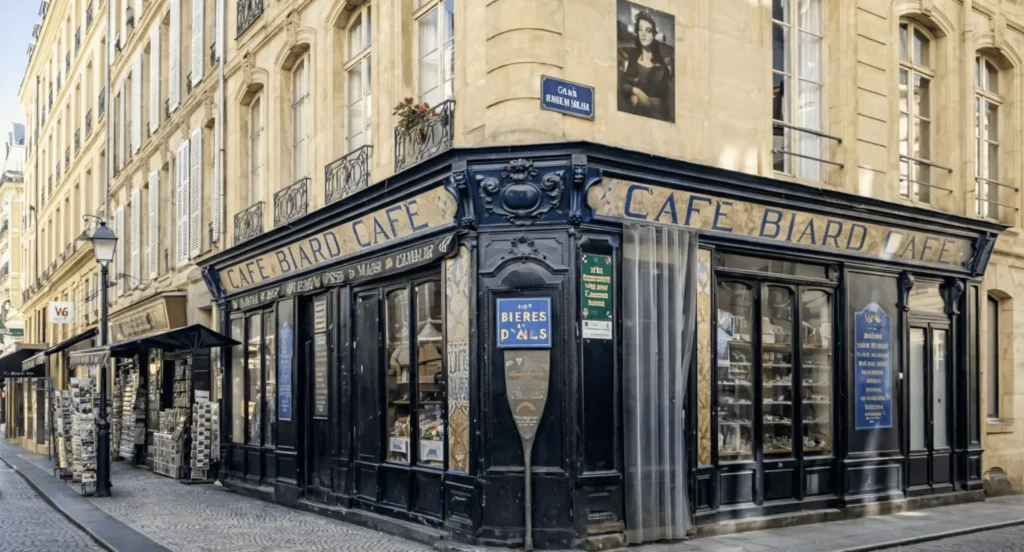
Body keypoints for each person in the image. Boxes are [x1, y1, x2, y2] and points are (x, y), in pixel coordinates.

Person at [618, 10, 673, 121]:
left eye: (648, 30)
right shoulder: (633, 58)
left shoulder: (660, 68)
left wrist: (637, 101)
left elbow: (660, 103)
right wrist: (635, 90)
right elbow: (624, 85)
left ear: (653, 35)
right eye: (640, 29)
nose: (643, 34)